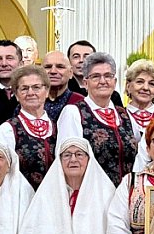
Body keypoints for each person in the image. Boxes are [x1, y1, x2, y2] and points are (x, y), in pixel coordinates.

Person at [57, 52, 137, 186]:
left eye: (108, 76)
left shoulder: (125, 115)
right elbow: (68, 162)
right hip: (92, 195)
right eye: (96, 77)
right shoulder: (73, 112)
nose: (103, 81)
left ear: (115, 81)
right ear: (85, 83)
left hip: (126, 195)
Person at [0, 65, 56, 190]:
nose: (31, 93)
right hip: (21, 201)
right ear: (16, 95)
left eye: (36, 87)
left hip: (55, 200)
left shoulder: (58, 126)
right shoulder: (8, 130)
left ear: (47, 91)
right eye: (24, 89)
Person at [66, 40, 124, 108]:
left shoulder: (112, 95)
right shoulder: (63, 91)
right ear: (68, 61)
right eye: (76, 57)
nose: (81, 60)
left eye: (86, 56)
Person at [124, 59, 154, 141]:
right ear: (128, 86)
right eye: (140, 82)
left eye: (151, 84)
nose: (145, 88)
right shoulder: (117, 116)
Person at [42, 50, 84, 121]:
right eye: (48, 67)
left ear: (70, 73)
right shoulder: (31, 101)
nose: (53, 71)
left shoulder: (82, 103)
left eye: (60, 67)